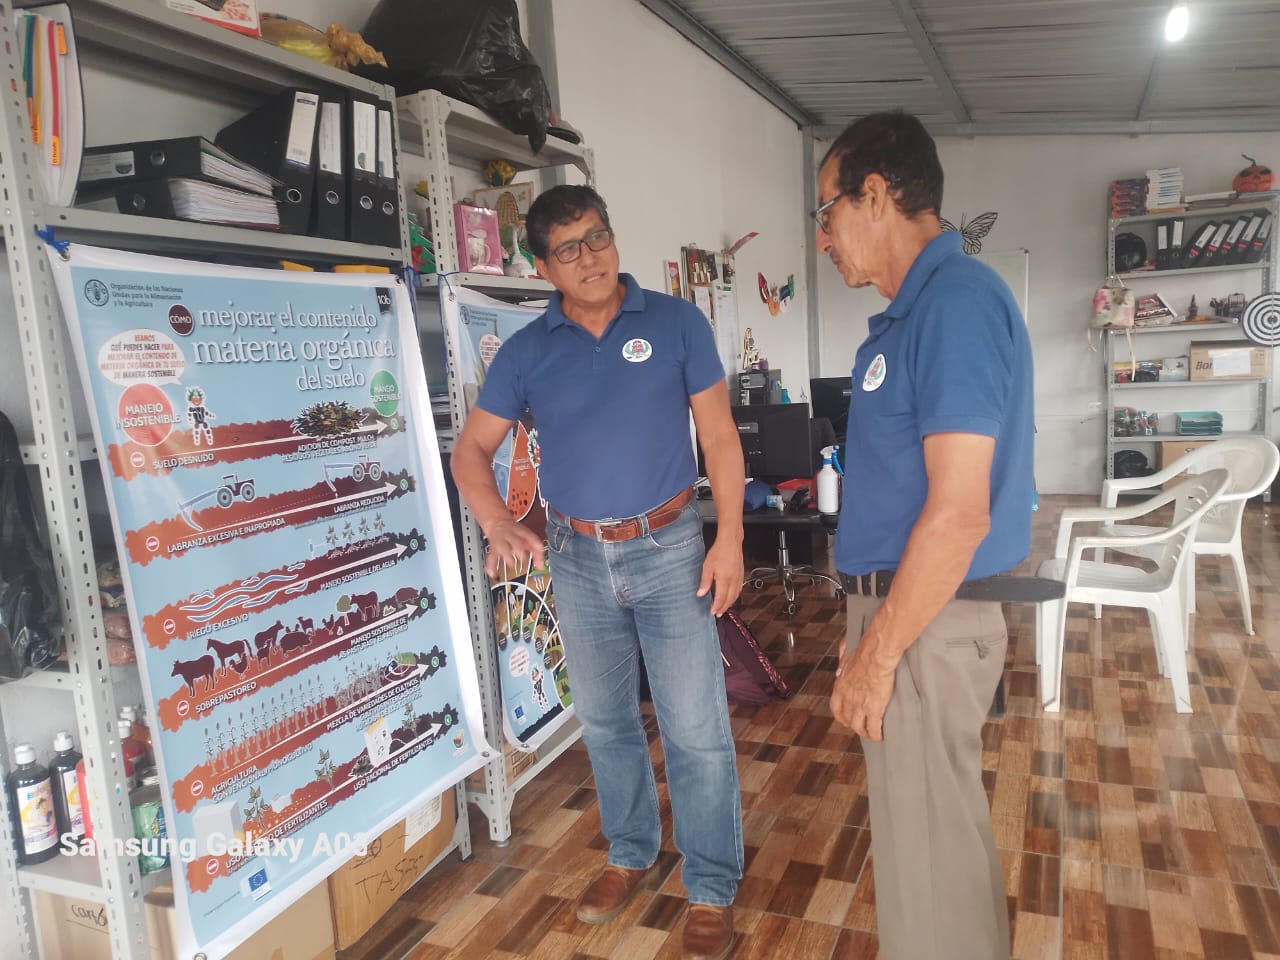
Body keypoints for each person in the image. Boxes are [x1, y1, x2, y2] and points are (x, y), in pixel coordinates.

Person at [451, 184, 745, 960]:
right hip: (577, 558)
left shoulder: (676, 323)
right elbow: (470, 450)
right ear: (543, 267)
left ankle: (710, 885)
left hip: (671, 547)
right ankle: (631, 852)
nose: (590, 257)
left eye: (597, 237)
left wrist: (732, 538)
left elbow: (720, 437)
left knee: (695, 729)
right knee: (608, 721)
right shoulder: (528, 352)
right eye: (568, 249)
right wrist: (497, 519)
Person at [813, 112, 1033, 960]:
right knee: (923, 852)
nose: (824, 237)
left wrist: (879, 652)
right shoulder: (914, 315)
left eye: (826, 212)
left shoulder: (956, 304)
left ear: (874, 195)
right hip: (908, 613)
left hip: (929, 621)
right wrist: (868, 623)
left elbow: (959, 513)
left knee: (932, 862)